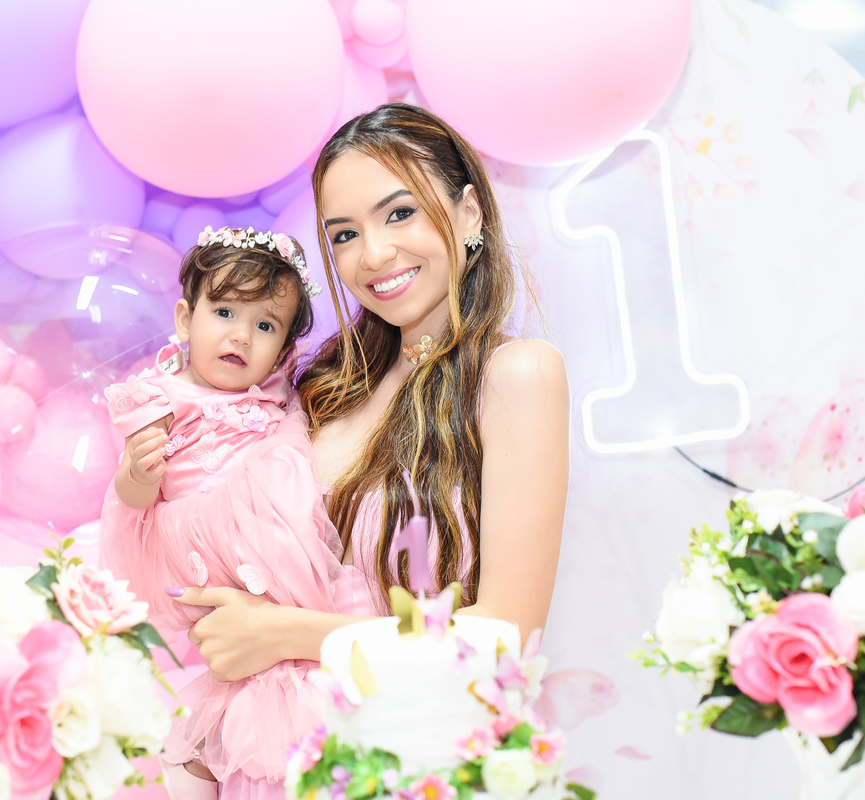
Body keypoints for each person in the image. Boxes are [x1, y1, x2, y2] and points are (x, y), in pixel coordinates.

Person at [172, 103, 569, 699]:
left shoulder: (515, 374)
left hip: (416, 742)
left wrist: (287, 634)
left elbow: (507, 632)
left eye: (400, 213)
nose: (374, 254)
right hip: (279, 736)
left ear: (469, 212)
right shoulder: (323, 385)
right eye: (346, 234)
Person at [99, 226, 359, 800]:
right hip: (212, 553)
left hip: (281, 558)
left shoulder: (277, 397)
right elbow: (132, 504)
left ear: (283, 351)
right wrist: (138, 473)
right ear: (185, 319)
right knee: (226, 708)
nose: (241, 334)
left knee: (306, 664)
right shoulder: (160, 400)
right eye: (223, 312)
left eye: (265, 325)